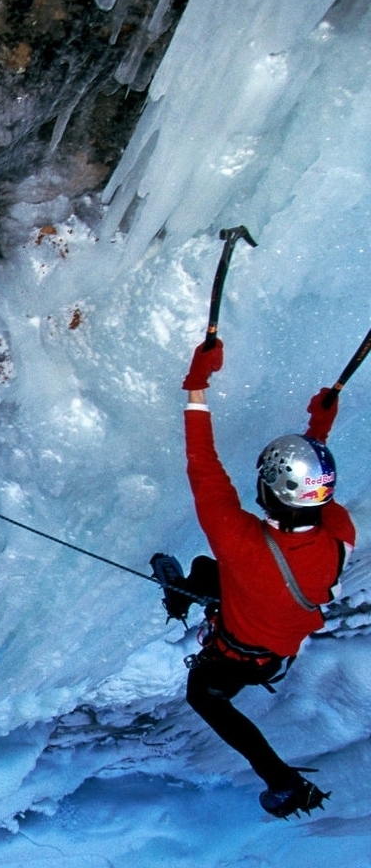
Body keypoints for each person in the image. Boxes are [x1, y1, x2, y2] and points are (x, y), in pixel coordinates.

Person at [170, 338, 356, 819]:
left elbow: (204, 463)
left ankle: (283, 781)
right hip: (268, 651)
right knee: (210, 573)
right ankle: (179, 597)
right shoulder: (339, 536)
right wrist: (318, 432)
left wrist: (197, 383)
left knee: (202, 693)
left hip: (238, 648)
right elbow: (308, 497)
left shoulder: (239, 541)